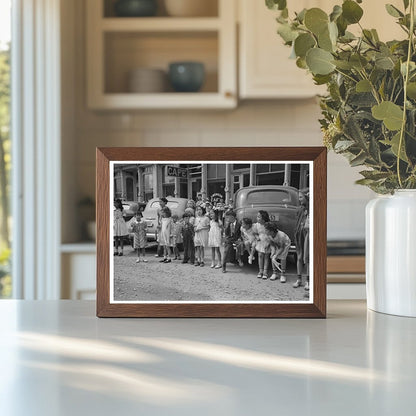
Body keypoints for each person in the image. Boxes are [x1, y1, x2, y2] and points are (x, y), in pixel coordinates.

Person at [293, 189, 310, 290]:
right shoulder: (300, 209)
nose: (299, 199)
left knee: (307, 258)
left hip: (307, 234)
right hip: (299, 234)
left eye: (300, 197)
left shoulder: (312, 208)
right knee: (299, 257)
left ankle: (308, 281)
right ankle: (299, 279)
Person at [252, 210, 271, 279]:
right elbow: (255, 233)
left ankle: (265, 272)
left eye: (259, 217)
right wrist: (257, 237)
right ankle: (260, 271)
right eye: (257, 217)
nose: (257, 218)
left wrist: (269, 242)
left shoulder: (268, 225)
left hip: (267, 241)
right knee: (260, 255)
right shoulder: (256, 225)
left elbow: (270, 234)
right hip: (260, 241)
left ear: (264, 218)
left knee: (266, 256)